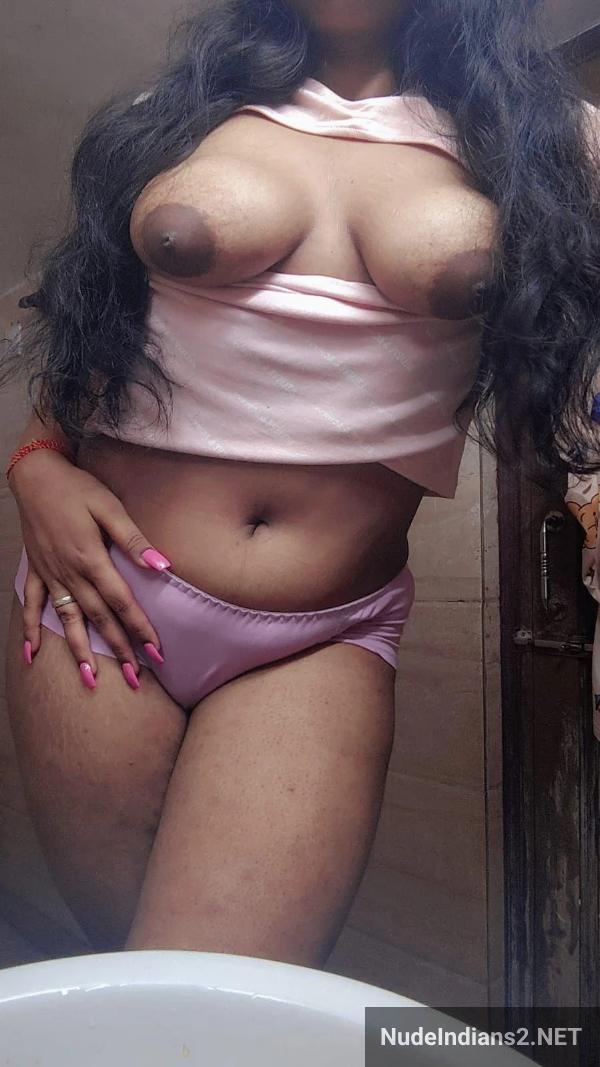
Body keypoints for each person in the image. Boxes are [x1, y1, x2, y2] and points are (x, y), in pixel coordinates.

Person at [3, 0, 599, 966]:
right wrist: (34, 464)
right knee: (135, 983)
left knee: (216, 999)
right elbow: (87, 314)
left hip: (320, 636)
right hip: (102, 592)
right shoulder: (183, 110)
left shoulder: (540, 137)